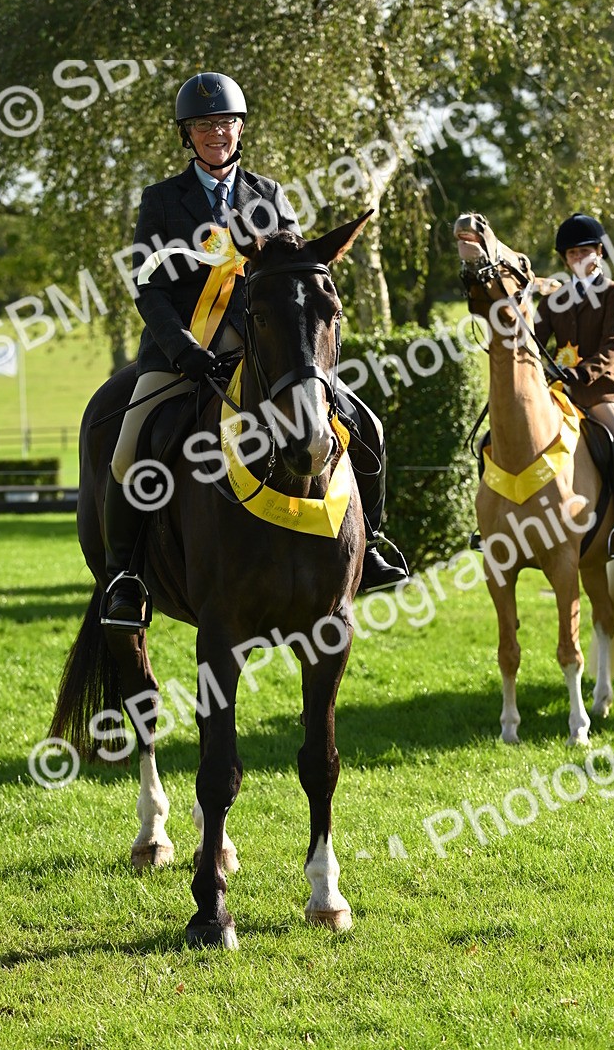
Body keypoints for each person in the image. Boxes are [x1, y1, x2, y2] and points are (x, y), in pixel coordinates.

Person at [102, 71, 408, 630]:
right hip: (180, 355)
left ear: (240, 129)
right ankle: (126, 578)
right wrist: (184, 348)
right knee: (129, 448)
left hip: (264, 349)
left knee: (367, 426)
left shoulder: (268, 196)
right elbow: (148, 283)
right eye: (202, 125)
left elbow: (296, 274)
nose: (215, 133)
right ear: (186, 135)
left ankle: (375, 543)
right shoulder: (162, 201)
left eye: (224, 123)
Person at [534, 212, 614, 560]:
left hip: (598, 389)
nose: (578, 259)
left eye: (584, 252)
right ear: (565, 260)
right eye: (571, 255)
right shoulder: (553, 299)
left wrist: (584, 373)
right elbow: (534, 341)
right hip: (557, 393)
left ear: (599, 251)